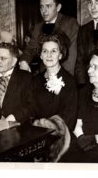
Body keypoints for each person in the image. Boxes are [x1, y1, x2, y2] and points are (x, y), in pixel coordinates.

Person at [28, 32, 78, 161]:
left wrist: (48, 128)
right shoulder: (36, 80)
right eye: (45, 51)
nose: (49, 55)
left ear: (61, 55)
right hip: (37, 134)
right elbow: (30, 109)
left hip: (59, 136)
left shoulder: (69, 81)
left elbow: (69, 117)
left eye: (54, 51)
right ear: (40, 55)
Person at [19, 0, 79, 76]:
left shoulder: (70, 23)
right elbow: (30, 50)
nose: (44, 11)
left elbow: (71, 57)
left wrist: (58, 77)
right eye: (41, 7)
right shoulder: (38, 27)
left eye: (48, 6)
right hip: (43, 75)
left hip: (65, 75)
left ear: (58, 7)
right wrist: (23, 62)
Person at [0, 42, 32, 123]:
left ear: (14, 61)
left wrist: (15, 117)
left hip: (19, 126)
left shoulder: (26, 78)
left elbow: (32, 105)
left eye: (2, 58)